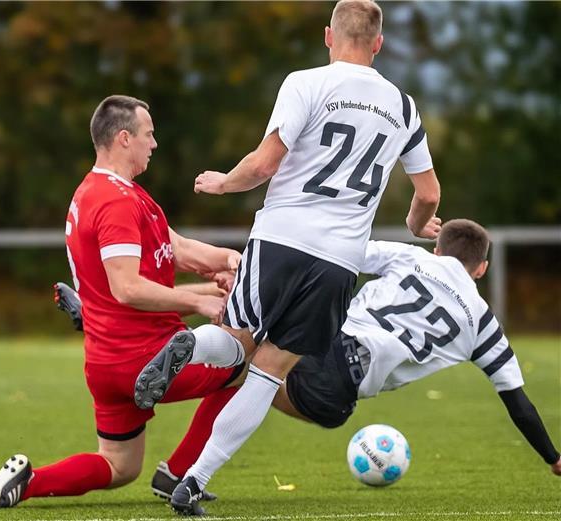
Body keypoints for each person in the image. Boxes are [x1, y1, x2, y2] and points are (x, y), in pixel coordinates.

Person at [132, 0, 444, 513]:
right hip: (340, 262)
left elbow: (264, 165)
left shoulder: (305, 83)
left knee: (236, 340)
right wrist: (415, 227)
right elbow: (428, 196)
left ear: (328, 36)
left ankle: (189, 344)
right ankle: (194, 480)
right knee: (270, 371)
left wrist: (222, 183)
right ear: (379, 44)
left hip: (282, 238)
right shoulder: (404, 108)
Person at [60, 220, 561, 515]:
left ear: (439, 249)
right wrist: (553, 459)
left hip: (329, 331)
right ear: (481, 269)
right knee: (248, 370)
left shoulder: (414, 258)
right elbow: (518, 402)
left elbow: (347, 251)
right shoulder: (482, 322)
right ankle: (187, 476)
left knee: (241, 343)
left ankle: (130, 333)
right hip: (338, 383)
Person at [0, 95, 249, 511]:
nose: (154, 144)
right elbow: (127, 289)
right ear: (124, 138)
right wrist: (202, 301)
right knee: (248, 363)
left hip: (105, 361)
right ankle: (179, 473)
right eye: (148, 134)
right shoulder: (116, 201)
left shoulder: (103, 192)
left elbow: (177, 248)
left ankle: (27, 482)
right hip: (146, 357)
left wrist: (229, 262)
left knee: (120, 466)